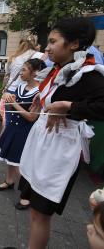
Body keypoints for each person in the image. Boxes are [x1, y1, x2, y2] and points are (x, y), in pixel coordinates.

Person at [17, 17, 104, 249]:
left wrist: (68, 107)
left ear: (74, 44)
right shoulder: (61, 69)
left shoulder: (89, 74)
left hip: (59, 152)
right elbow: (55, 93)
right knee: (35, 212)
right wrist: (42, 98)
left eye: (53, 41)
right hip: (43, 145)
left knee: (40, 214)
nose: (47, 48)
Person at [0, 59, 42, 211]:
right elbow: (10, 103)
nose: (21, 73)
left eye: (24, 70)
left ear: (34, 72)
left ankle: (27, 195)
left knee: (21, 165)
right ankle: (9, 181)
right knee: (9, 158)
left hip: (24, 133)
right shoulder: (21, 87)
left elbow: (32, 117)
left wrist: (13, 103)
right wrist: (7, 97)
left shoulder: (39, 94)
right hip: (12, 129)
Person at [0, 38, 36, 131]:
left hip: (10, 90)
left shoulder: (13, 57)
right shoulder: (34, 55)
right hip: (23, 91)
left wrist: (3, 88)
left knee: (8, 119)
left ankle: (4, 138)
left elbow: (6, 75)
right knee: (20, 120)